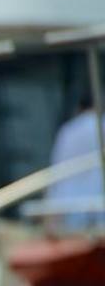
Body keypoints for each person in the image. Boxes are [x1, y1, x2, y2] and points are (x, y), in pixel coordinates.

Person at [46, 96, 105, 232]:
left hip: (69, 208)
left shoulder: (67, 131)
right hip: (99, 204)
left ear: (79, 109)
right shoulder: (101, 126)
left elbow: (56, 171)